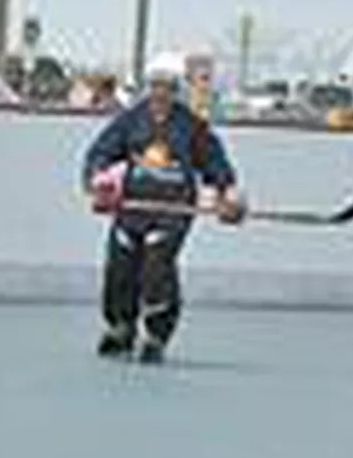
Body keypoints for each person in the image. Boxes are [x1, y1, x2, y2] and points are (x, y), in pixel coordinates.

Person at [80, 53, 247, 364]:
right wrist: (98, 182)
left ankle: (156, 335)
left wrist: (229, 194)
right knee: (120, 267)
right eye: (155, 85)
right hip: (132, 209)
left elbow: (216, 164)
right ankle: (121, 327)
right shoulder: (130, 120)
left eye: (168, 87)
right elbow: (100, 153)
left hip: (172, 212)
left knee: (157, 269)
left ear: (177, 90)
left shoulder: (191, 126)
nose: (160, 93)